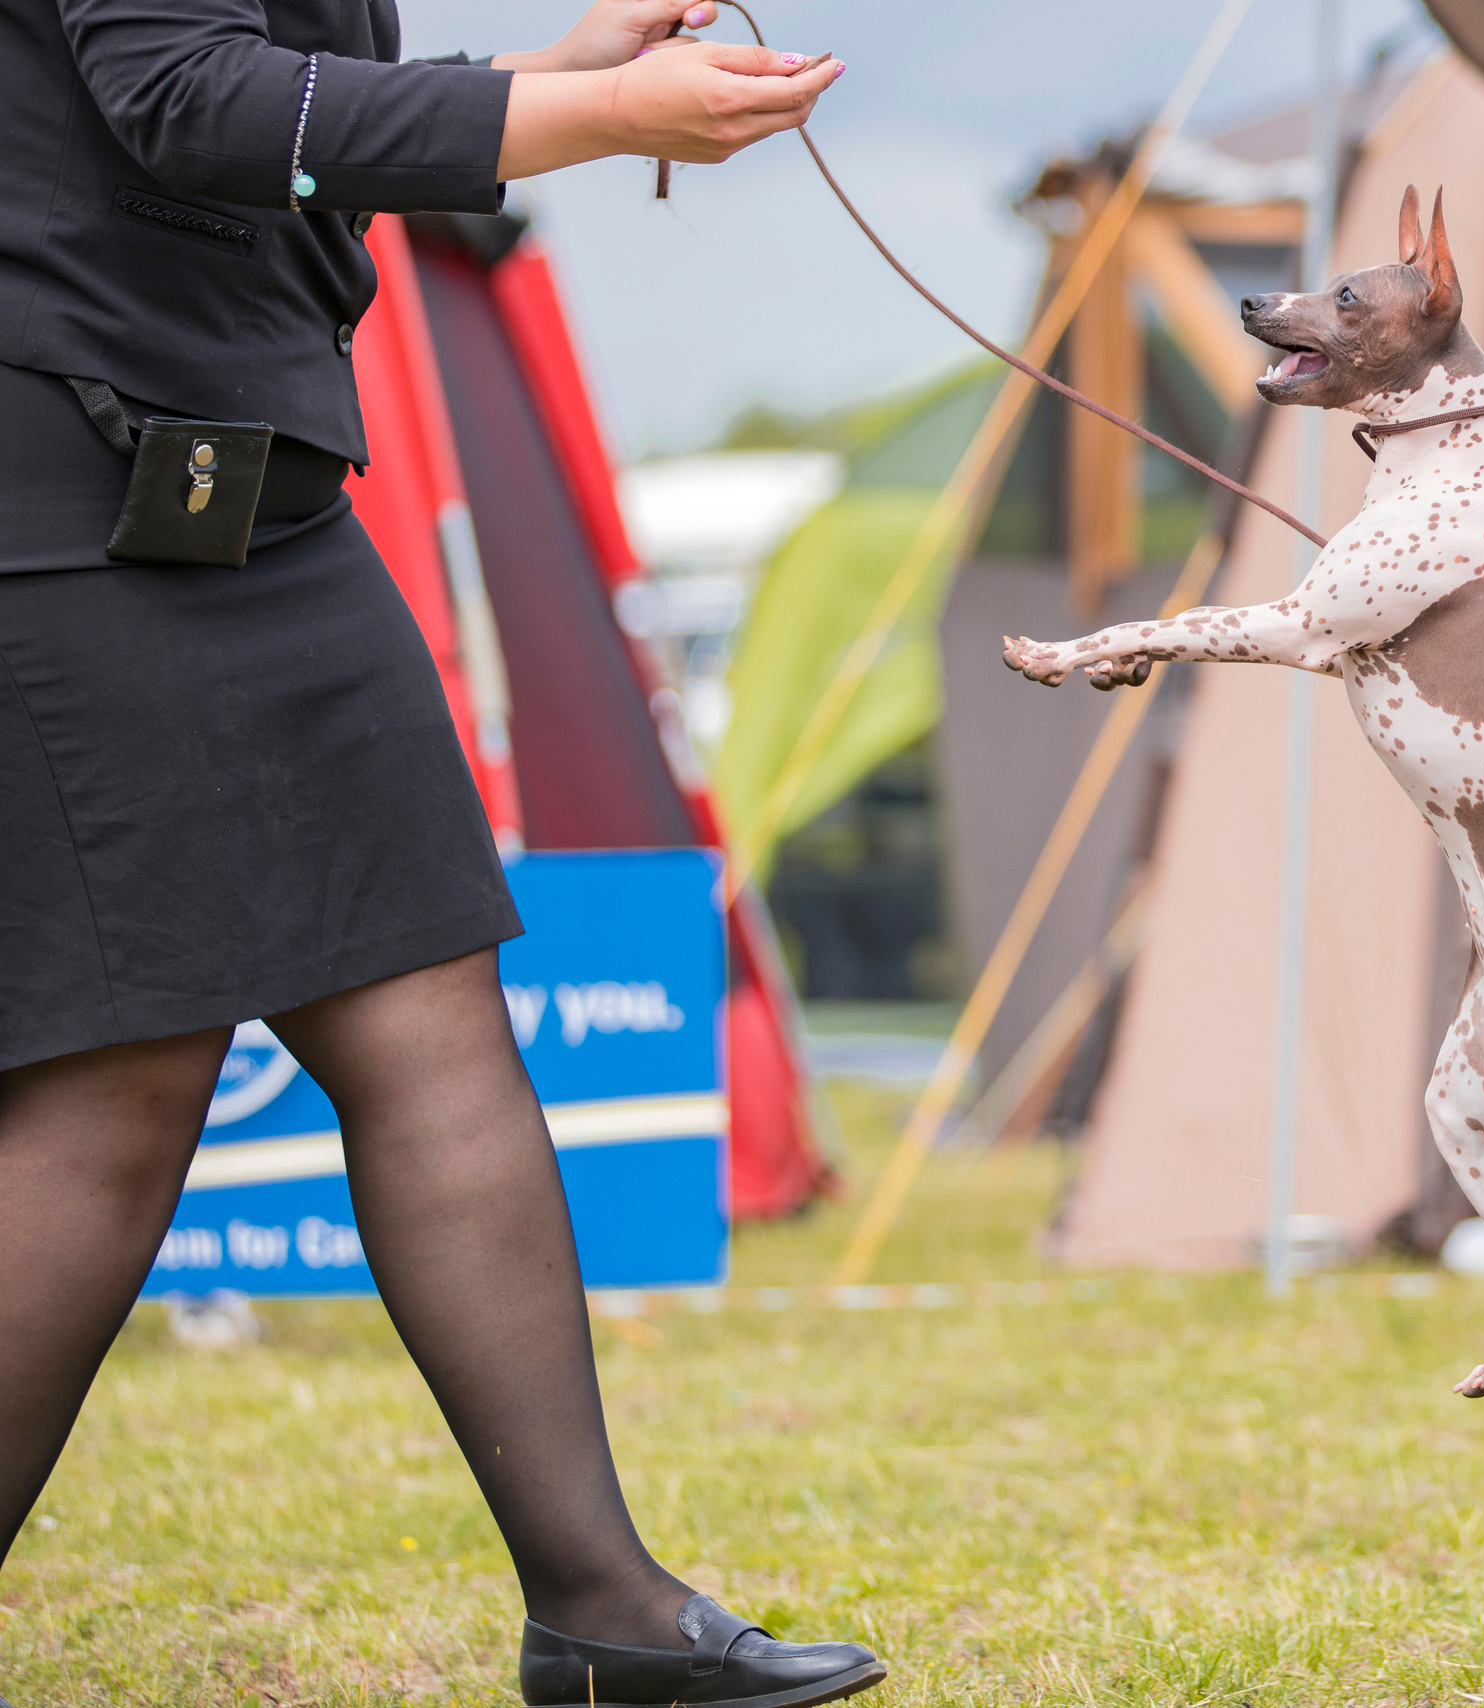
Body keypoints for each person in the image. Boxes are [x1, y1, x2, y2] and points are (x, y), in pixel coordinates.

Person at [0, 4, 882, 1704]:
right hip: (71, 471)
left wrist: (559, 71)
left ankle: (602, 1609)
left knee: (427, 1005)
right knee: (120, 1084)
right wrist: (606, 113)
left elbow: (281, 91)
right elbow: (186, 104)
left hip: (257, 477)